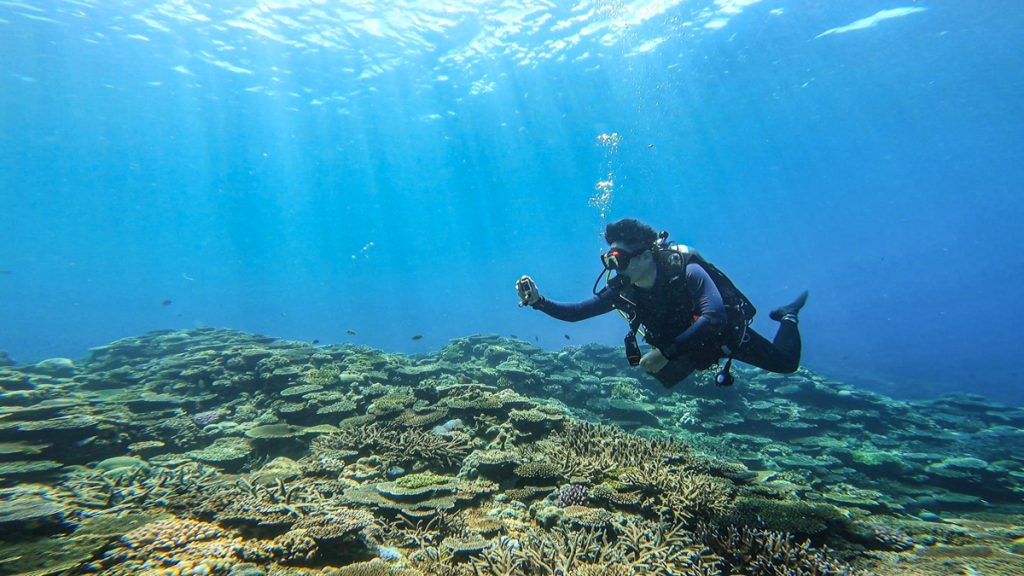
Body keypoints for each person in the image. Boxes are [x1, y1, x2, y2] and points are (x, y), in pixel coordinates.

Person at [515, 218, 808, 388]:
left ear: (645, 255)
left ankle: (788, 316)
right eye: (609, 261)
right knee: (663, 383)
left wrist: (667, 352)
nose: (614, 269)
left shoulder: (684, 270)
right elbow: (578, 313)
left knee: (786, 364)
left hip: (723, 337)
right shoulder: (623, 290)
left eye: (620, 260)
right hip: (687, 349)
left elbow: (715, 316)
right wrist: (539, 302)